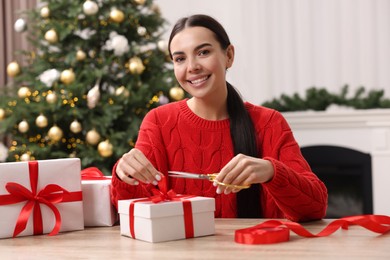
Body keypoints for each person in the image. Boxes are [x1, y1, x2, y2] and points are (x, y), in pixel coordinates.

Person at [111, 14, 327, 222]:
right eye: (180, 58)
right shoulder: (158, 121)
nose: (192, 66)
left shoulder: (269, 122)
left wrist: (272, 172)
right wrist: (125, 175)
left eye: (203, 52)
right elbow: (131, 210)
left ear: (229, 56)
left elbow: (316, 207)